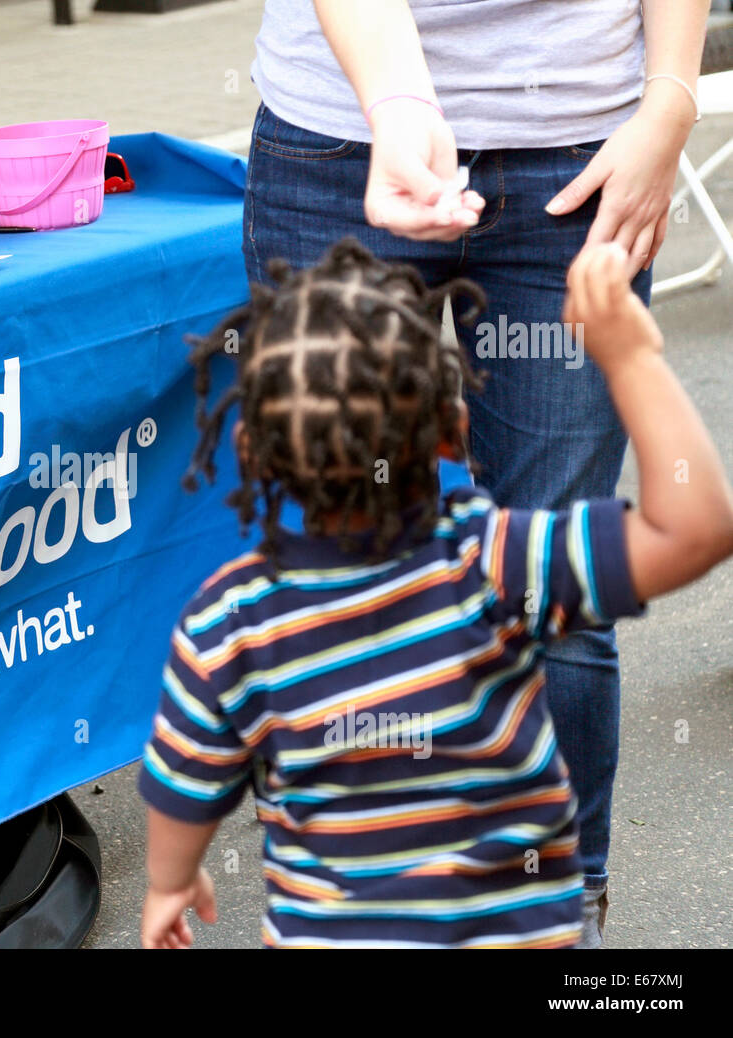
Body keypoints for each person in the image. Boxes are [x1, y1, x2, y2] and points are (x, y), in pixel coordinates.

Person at [242, 0, 710, 947]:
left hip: (583, 155)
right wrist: (401, 102)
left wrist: (671, 103)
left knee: (558, 601)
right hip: (338, 148)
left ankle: (556, 919)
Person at [138, 239, 733, 949]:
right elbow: (697, 529)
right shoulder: (496, 563)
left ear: (253, 456)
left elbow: (185, 783)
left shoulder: (227, 622)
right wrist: (632, 359)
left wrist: (170, 882)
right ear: (453, 435)